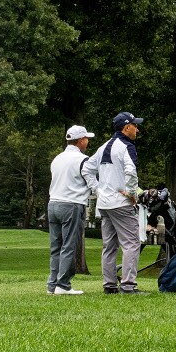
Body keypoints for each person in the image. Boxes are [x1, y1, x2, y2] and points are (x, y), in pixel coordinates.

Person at [91, 111, 145, 295]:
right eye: (135, 126)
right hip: (121, 203)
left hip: (104, 204)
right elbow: (131, 172)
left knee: (109, 245)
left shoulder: (103, 147)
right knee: (131, 243)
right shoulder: (126, 147)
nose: (137, 129)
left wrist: (97, 189)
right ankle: (129, 286)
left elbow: (86, 169)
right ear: (126, 127)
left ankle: (109, 285)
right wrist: (131, 193)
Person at [46, 125, 98, 295]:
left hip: (53, 204)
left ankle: (52, 285)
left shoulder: (57, 158)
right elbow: (93, 185)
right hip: (72, 204)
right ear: (80, 141)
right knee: (69, 246)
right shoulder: (83, 160)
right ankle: (63, 285)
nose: (88, 142)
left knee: (56, 247)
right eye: (86, 139)